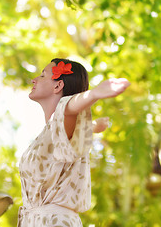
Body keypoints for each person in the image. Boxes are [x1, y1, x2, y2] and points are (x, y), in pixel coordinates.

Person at [18, 58, 130, 226]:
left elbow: (69, 108)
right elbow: (68, 127)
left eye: (42, 75)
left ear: (58, 86)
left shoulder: (64, 116)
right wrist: (92, 127)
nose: (34, 80)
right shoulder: (53, 131)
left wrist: (94, 94)